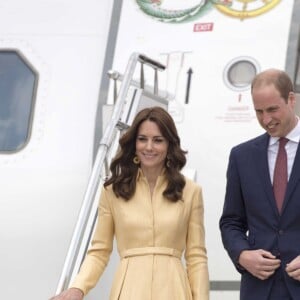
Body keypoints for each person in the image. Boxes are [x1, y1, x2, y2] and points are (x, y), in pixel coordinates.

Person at [50, 106, 209, 300]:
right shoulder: (112, 191)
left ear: (169, 145)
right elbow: (99, 251)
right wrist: (78, 288)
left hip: (174, 291)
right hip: (129, 291)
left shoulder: (191, 191)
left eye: (158, 140)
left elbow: (196, 257)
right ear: (134, 143)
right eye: (142, 139)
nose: (149, 147)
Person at [219, 68, 300, 300]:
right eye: (259, 112)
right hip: (259, 290)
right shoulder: (241, 156)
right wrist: (242, 254)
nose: (266, 120)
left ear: (291, 99)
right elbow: (231, 221)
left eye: (273, 109)